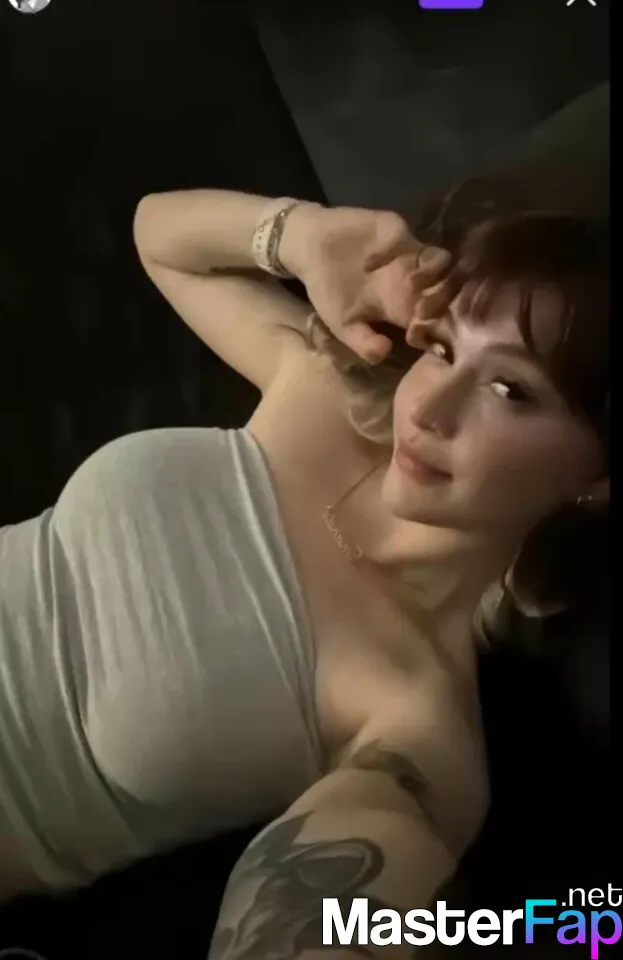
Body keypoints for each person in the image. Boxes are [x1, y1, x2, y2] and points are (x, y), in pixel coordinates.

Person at [0, 189, 609, 957]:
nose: (428, 407)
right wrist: (303, 237)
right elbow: (160, 237)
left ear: (596, 476)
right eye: (443, 349)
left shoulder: (412, 723)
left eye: (508, 390)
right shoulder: (319, 395)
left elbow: (329, 911)